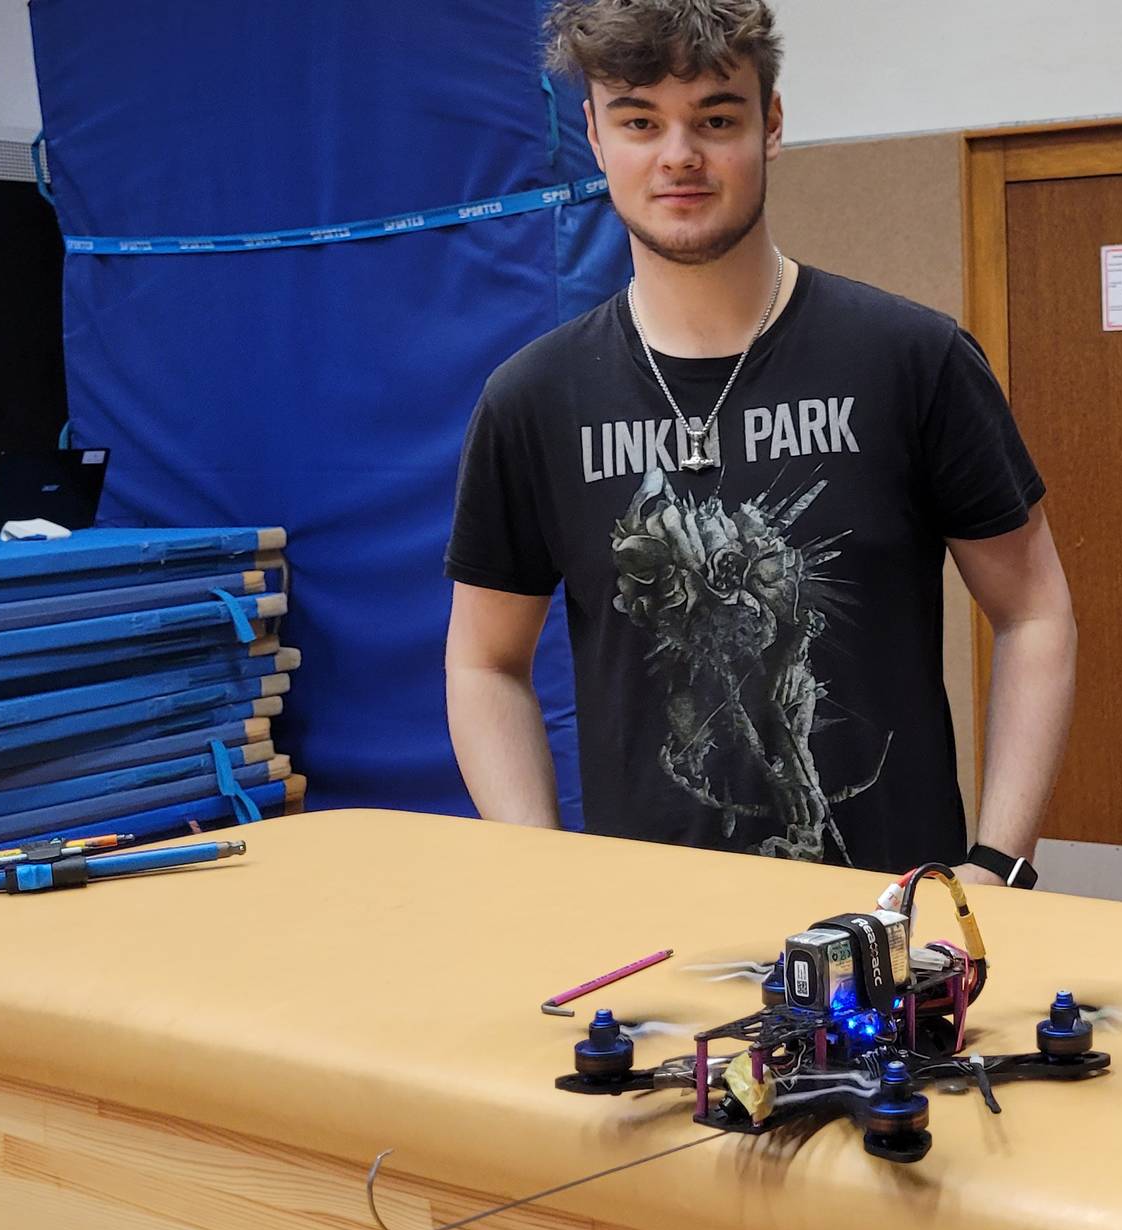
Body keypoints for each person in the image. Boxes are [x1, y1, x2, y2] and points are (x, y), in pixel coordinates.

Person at [445, 0, 1075, 883]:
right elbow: (485, 662)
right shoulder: (533, 400)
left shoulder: (912, 360)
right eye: (640, 122)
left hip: (891, 920)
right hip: (647, 923)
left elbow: (1034, 610)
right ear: (593, 135)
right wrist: (543, 866)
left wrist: (999, 863)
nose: (678, 156)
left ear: (770, 123)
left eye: (715, 119)